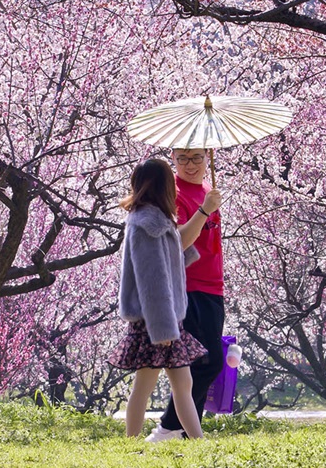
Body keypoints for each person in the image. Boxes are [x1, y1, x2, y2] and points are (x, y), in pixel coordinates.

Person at [108, 158, 207, 440]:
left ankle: (198, 442)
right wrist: (162, 328)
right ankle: (131, 442)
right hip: (156, 321)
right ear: (163, 185)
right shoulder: (147, 224)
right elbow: (152, 280)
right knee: (145, 384)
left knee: (182, 382)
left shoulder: (156, 221)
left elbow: (166, 263)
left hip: (165, 318)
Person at [147, 148, 224, 442]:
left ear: (208, 156)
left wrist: (209, 203)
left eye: (196, 158)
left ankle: (187, 432)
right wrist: (205, 210)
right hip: (190, 286)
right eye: (183, 159)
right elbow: (177, 242)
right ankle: (168, 427)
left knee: (200, 361)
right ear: (173, 159)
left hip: (213, 285)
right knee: (208, 361)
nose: (190, 165)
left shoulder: (207, 190)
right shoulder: (173, 193)